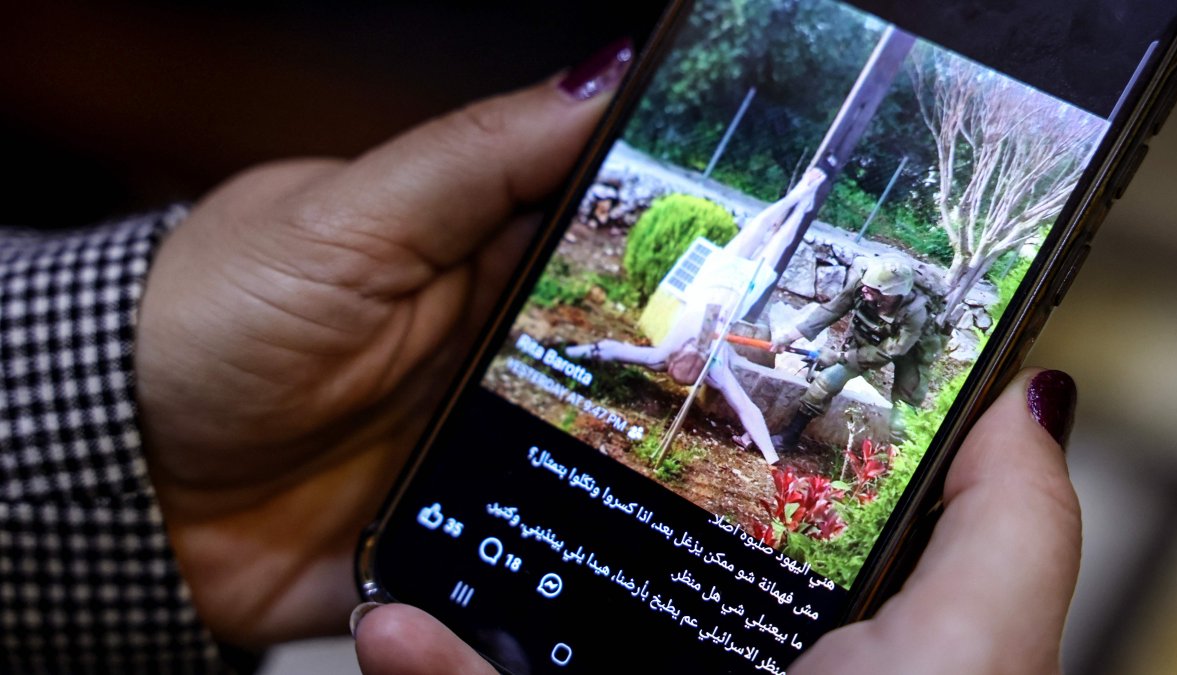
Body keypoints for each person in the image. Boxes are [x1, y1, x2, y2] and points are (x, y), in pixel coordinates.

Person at [0, 39, 1081, 675]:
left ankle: (761, 317)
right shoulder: (694, 316)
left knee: (747, 329)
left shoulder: (740, 322)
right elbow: (695, 304)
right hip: (703, 316)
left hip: (722, 321)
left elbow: (756, 293)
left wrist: (795, 223)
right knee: (688, 322)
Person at [565, 167, 828, 464]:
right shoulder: (715, 370)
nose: (697, 347)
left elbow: (614, 350)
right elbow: (748, 409)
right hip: (742, 291)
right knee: (781, 241)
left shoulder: (660, 355)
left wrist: (575, 352)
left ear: (675, 355)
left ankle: (797, 193)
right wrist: (772, 458)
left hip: (712, 281)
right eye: (698, 352)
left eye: (694, 348)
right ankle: (803, 205)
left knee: (758, 227)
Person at [770, 255, 942, 449]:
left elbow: (889, 352)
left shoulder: (916, 313)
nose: (865, 289)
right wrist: (790, 336)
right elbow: (831, 310)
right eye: (866, 284)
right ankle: (789, 437)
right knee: (825, 383)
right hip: (870, 339)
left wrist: (840, 357)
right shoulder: (863, 285)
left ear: (891, 294)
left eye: (873, 289)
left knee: (904, 414)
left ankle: (897, 460)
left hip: (912, 352)